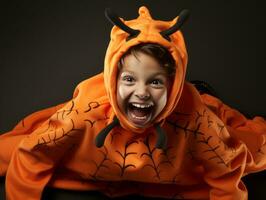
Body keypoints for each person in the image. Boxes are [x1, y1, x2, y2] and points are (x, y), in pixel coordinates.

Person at [0, 6, 266, 200]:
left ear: (173, 86)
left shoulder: (197, 121)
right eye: (129, 79)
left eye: (156, 82)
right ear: (112, 78)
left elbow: (225, 174)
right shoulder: (84, 114)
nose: (142, 93)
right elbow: (30, 154)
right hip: (99, 162)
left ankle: (201, 96)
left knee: (248, 150)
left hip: (179, 154)